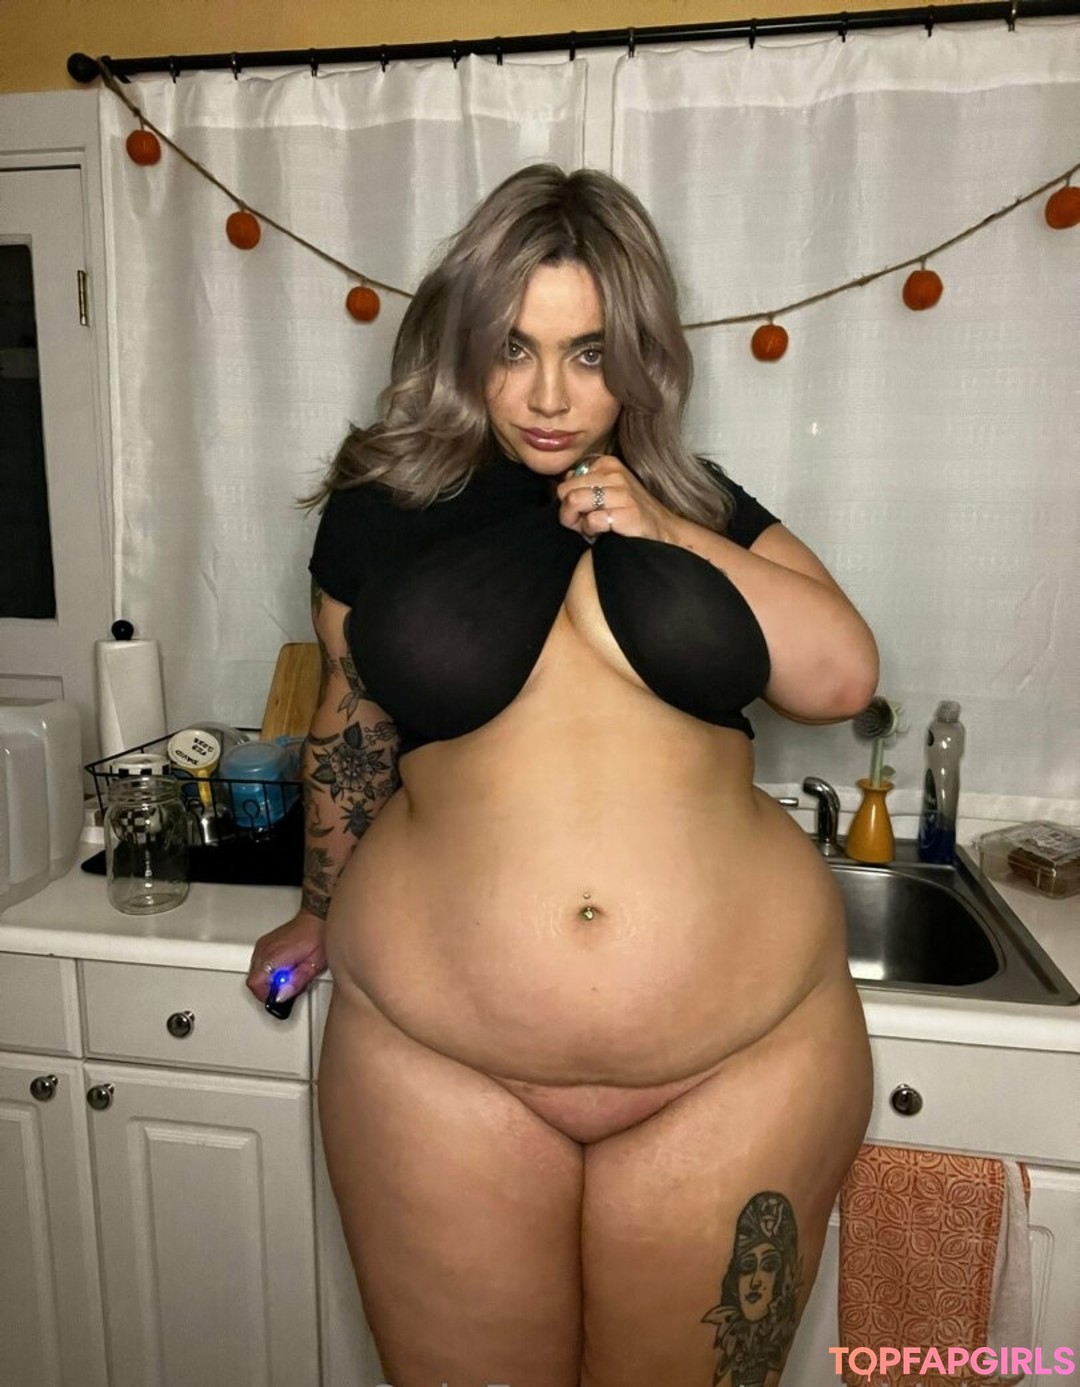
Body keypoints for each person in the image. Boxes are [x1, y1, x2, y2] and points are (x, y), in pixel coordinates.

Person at [246, 163, 878, 1387]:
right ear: (461, 343)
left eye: (589, 354)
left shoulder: (694, 500)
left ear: (639, 357)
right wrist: (318, 907)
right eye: (513, 349)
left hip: (746, 1058)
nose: (549, 396)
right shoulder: (383, 506)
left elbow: (841, 676)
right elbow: (352, 719)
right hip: (436, 1058)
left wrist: (660, 524)